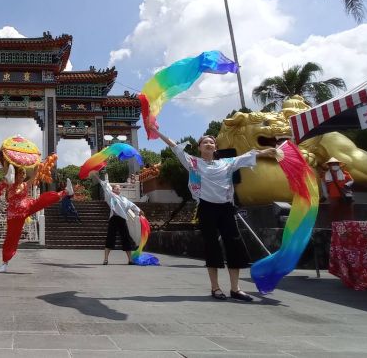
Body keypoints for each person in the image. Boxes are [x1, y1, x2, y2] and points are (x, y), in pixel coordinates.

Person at [152, 127, 278, 301]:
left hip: (226, 208)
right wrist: (157, 132)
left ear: (215, 147)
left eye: (211, 142)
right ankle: (215, 288)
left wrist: (268, 151)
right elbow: (174, 146)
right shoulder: (193, 163)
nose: (209, 144)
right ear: (199, 147)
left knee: (234, 245)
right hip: (207, 208)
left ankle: (236, 288)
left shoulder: (227, 163)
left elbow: (249, 155)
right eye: (205, 142)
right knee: (212, 247)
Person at [0, 165, 64, 273]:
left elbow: (33, 178)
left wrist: (36, 170)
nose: (22, 176)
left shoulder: (25, 184)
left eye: (23, 174)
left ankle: (63, 193)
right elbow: (9, 196)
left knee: (41, 200)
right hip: (14, 216)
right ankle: (5, 262)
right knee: (11, 239)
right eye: (20, 173)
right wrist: (10, 180)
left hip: (27, 207)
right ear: (15, 175)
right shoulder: (11, 186)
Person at [90, 170, 142, 265]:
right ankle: (106, 259)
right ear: (113, 190)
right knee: (110, 238)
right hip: (114, 219)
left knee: (126, 239)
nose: (119, 189)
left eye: (119, 188)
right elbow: (104, 186)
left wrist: (139, 211)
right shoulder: (111, 195)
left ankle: (130, 260)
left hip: (122, 220)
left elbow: (133, 206)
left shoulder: (124, 199)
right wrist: (96, 176)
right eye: (117, 188)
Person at [322, 157, 355, 222]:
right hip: (333, 196)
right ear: (329, 165)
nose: (335, 165)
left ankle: (349, 224)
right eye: (333, 164)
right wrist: (325, 193)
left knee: (348, 210)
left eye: (336, 164)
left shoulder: (345, 173)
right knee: (333, 211)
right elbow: (323, 184)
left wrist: (347, 184)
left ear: (339, 165)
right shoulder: (325, 175)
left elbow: (352, 180)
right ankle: (334, 224)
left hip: (345, 195)